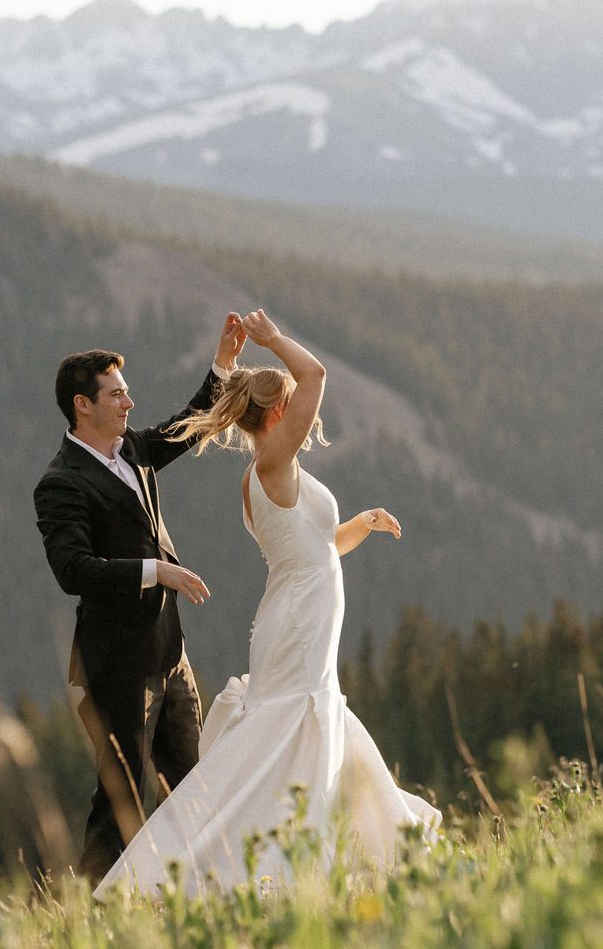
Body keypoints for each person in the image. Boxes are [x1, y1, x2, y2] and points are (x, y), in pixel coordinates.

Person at [97, 310, 440, 897]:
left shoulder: (275, 473)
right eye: (295, 409)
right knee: (285, 736)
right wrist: (274, 339)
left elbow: (316, 551)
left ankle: (316, 856)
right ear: (278, 414)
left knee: (300, 730)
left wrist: (361, 523)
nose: (308, 419)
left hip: (299, 614)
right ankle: (252, 867)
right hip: (298, 625)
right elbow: (318, 376)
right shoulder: (271, 462)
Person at [35, 313, 249, 885]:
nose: (129, 404)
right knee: (121, 807)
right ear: (83, 405)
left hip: (168, 654)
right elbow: (72, 570)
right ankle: (84, 922)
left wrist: (223, 365)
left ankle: (209, 895)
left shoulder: (129, 447)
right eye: (118, 394)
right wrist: (158, 571)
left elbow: (185, 429)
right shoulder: (61, 482)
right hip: (118, 671)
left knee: (194, 788)